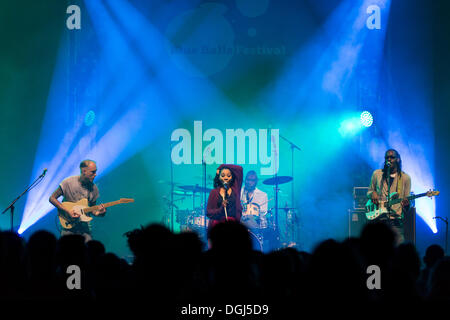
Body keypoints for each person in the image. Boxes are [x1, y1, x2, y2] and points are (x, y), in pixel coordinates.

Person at [49, 160, 106, 242]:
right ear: (84, 171)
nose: (95, 174)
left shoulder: (94, 189)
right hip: (68, 226)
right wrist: (68, 211)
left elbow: (92, 209)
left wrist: (100, 213)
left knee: (87, 251)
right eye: (92, 172)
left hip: (84, 228)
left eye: (95, 172)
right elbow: (52, 198)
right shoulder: (68, 182)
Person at [367, 149, 411, 244]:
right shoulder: (377, 174)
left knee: (398, 251)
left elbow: (407, 203)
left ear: (398, 159)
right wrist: (372, 193)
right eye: (387, 157)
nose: (389, 159)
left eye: (392, 157)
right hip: (379, 220)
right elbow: (369, 191)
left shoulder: (405, 178)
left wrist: (406, 204)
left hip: (395, 221)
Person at [206, 164, 243, 233]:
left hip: (232, 225)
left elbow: (239, 169)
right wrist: (221, 209)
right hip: (218, 225)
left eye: (228, 176)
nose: (226, 178)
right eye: (222, 176)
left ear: (232, 177)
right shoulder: (214, 192)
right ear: (219, 177)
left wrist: (221, 167)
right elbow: (208, 212)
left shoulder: (235, 190)